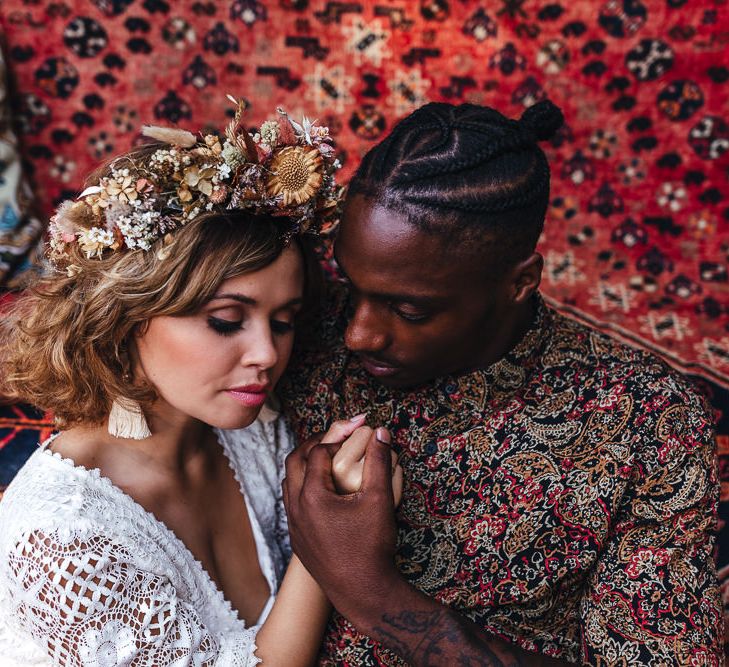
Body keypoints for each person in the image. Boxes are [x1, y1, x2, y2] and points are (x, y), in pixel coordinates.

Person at [280, 99, 723, 665]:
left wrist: (371, 592)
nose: (359, 335)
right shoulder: (299, 331)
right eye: (350, 283)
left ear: (521, 282)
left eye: (411, 310)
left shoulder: (642, 422)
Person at [0, 102, 401, 666]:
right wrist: (325, 543)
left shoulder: (253, 427)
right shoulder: (63, 542)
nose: (267, 354)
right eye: (225, 321)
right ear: (129, 315)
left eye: (283, 321)